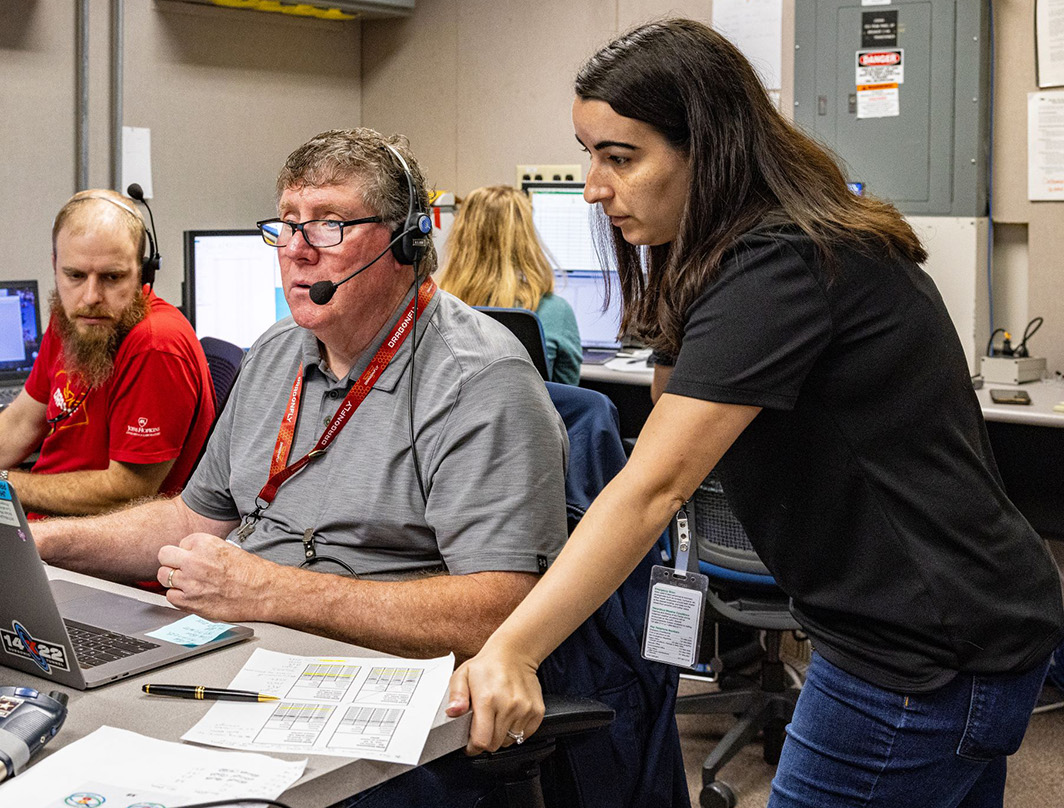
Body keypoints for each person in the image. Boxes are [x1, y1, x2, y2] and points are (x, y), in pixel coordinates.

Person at [448, 19, 1064, 808]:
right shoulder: (755, 254)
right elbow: (678, 417)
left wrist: (514, 649)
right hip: (961, 627)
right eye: (589, 153)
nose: (595, 186)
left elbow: (656, 485)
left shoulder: (780, 263)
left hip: (919, 656)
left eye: (620, 157)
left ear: (709, 150)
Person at [30, 128, 568, 661]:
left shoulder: (478, 379)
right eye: (287, 225)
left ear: (406, 241)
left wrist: (270, 592)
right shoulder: (275, 350)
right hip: (242, 645)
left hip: (369, 672)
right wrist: (42, 544)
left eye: (328, 225)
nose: (296, 251)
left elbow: (501, 610)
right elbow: (191, 521)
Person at [0, 189, 215, 517]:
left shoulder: (155, 346)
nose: (90, 296)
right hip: (41, 523)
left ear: (143, 273)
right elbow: (22, 421)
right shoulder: (72, 318)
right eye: (75, 275)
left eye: (112, 277)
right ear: (55, 266)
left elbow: (128, 492)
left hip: (92, 547)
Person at [437, 185, 584, 384]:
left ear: (461, 237)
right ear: (527, 240)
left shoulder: (435, 310)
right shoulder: (556, 312)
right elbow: (569, 396)